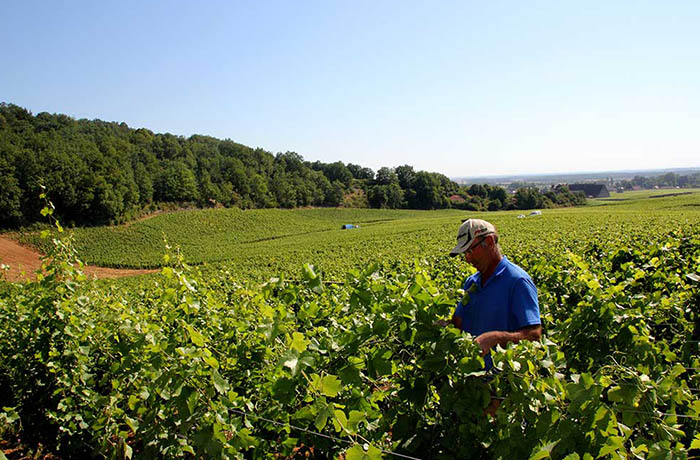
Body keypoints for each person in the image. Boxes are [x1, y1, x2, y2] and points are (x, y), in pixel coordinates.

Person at [447, 218, 541, 369]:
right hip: (471, 377)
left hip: (503, 382)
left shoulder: (517, 281)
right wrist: (441, 325)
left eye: (470, 251)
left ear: (490, 242)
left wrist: (497, 338)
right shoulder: (471, 283)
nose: (467, 258)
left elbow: (534, 336)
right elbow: (459, 323)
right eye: (464, 253)